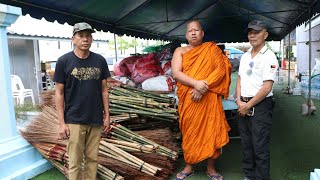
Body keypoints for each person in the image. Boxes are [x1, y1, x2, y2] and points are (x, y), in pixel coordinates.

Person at [172, 19, 232, 180]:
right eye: (190, 30)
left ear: (202, 33)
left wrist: (202, 87)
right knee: (189, 132)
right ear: (186, 35)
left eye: (196, 30)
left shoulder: (212, 49)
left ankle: (211, 168)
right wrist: (196, 84)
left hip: (209, 98)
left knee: (211, 131)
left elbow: (220, 71)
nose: (193, 33)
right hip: (189, 100)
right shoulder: (180, 51)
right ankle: (189, 166)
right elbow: (176, 73)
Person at [54, 22, 111, 180]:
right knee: (75, 161)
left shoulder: (100, 61)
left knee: (92, 159)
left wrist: (107, 115)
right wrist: (61, 123)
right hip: (74, 119)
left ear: (92, 39)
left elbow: (104, 90)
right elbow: (58, 93)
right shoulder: (64, 61)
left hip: (95, 118)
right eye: (81, 36)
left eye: (88, 36)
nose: (85, 39)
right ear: (73, 39)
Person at [236, 20, 278, 180]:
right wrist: (239, 100)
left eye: (256, 31)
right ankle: (249, 175)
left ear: (265, 34)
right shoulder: (245, 56)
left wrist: (248, 105)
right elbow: (239, 79)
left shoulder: (269, 57)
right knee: (246, 144)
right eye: (249, 32)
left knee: (259, 146)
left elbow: (267, 88)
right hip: (243, 104)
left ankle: (261, 177)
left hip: (260, 106)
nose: (252, 35)